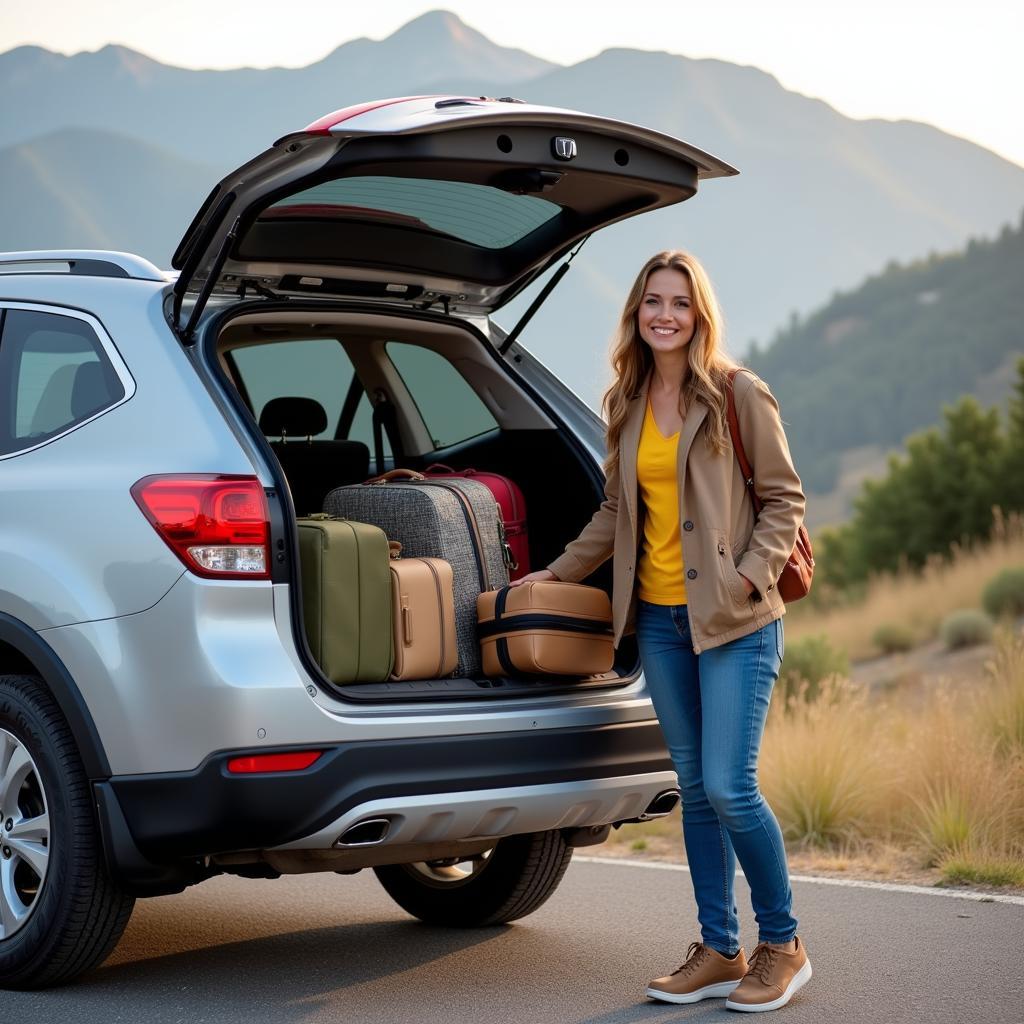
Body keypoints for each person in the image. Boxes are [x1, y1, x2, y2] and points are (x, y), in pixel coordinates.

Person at [511, 250, 811, 1013]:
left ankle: (783, 945)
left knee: (729, 787)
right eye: (653, 301)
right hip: (660, 623)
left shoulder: (740, 394)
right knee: (697, 792)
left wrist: (747, 574)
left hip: (736, 620)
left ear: (699, 313)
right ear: (637, 314)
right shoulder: (629, 401)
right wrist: (554, 574)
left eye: (680, 302)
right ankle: (718, 947)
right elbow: (617, 512)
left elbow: (784, 500)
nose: (666, 314)